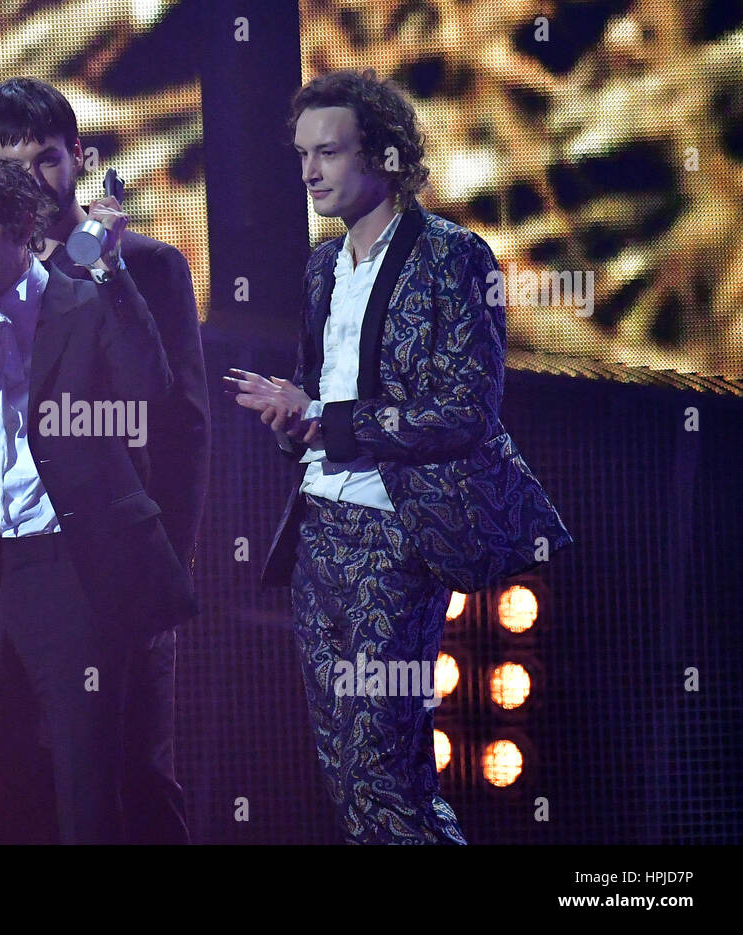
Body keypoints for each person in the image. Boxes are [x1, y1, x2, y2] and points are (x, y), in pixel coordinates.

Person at [226, 69, 572, 844]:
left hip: (396, 537)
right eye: (302, 155)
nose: (310, 171)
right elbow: (318, 402)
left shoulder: (454, 257)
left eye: (330, 152)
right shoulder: (322, 269)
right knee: (346, 774)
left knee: (387, 768)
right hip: (319, 535)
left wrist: (323, 417)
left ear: (383, 155)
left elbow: (466, 409)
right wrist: (294, 418)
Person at [0, 149, 196, 844]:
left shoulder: (83, 299)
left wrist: (113, 272)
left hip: (77, 574)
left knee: (90, 797)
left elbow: (149, 393)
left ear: (23, 226)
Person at [0, 76, 209, 844]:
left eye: (45, 161)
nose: (30, 185)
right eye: (8, 167)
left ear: (80, 157)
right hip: (14, 577)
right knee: (37, 786)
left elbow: (182, 429)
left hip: (120, 567)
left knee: (136, 776)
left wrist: (164, 569)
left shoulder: (145, 264)